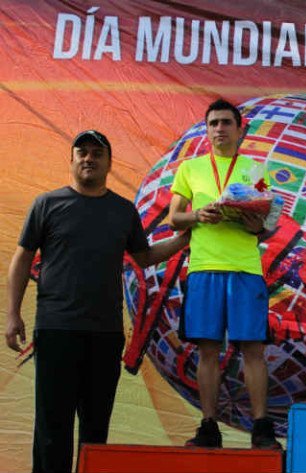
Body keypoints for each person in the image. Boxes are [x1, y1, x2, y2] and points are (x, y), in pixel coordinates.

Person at [4, 130, 190, 473]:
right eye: (82, 152)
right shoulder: (47, 204)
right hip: (56, 328)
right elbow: (21, 259)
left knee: (95, 428)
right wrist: (13, 314)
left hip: (104, 333)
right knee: (52, 426)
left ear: (108, 162)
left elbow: (145, 256)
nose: (89, 158)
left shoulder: (122, 210)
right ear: (72, 160)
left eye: (96, 153)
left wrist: (185, 237)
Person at [169, 99, 280, 449]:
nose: (220, 129)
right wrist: (198, 215)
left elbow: (268, 224)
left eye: (226, 123)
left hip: (246, 269)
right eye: (213, 123)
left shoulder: (256, 169)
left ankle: (262, 428)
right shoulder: (190, 169)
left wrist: (255, 223)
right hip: (204, 268)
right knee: (207, 351)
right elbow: (175, 218)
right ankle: (208, 426)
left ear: (240, 129)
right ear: (206, 130)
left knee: (252, 350)